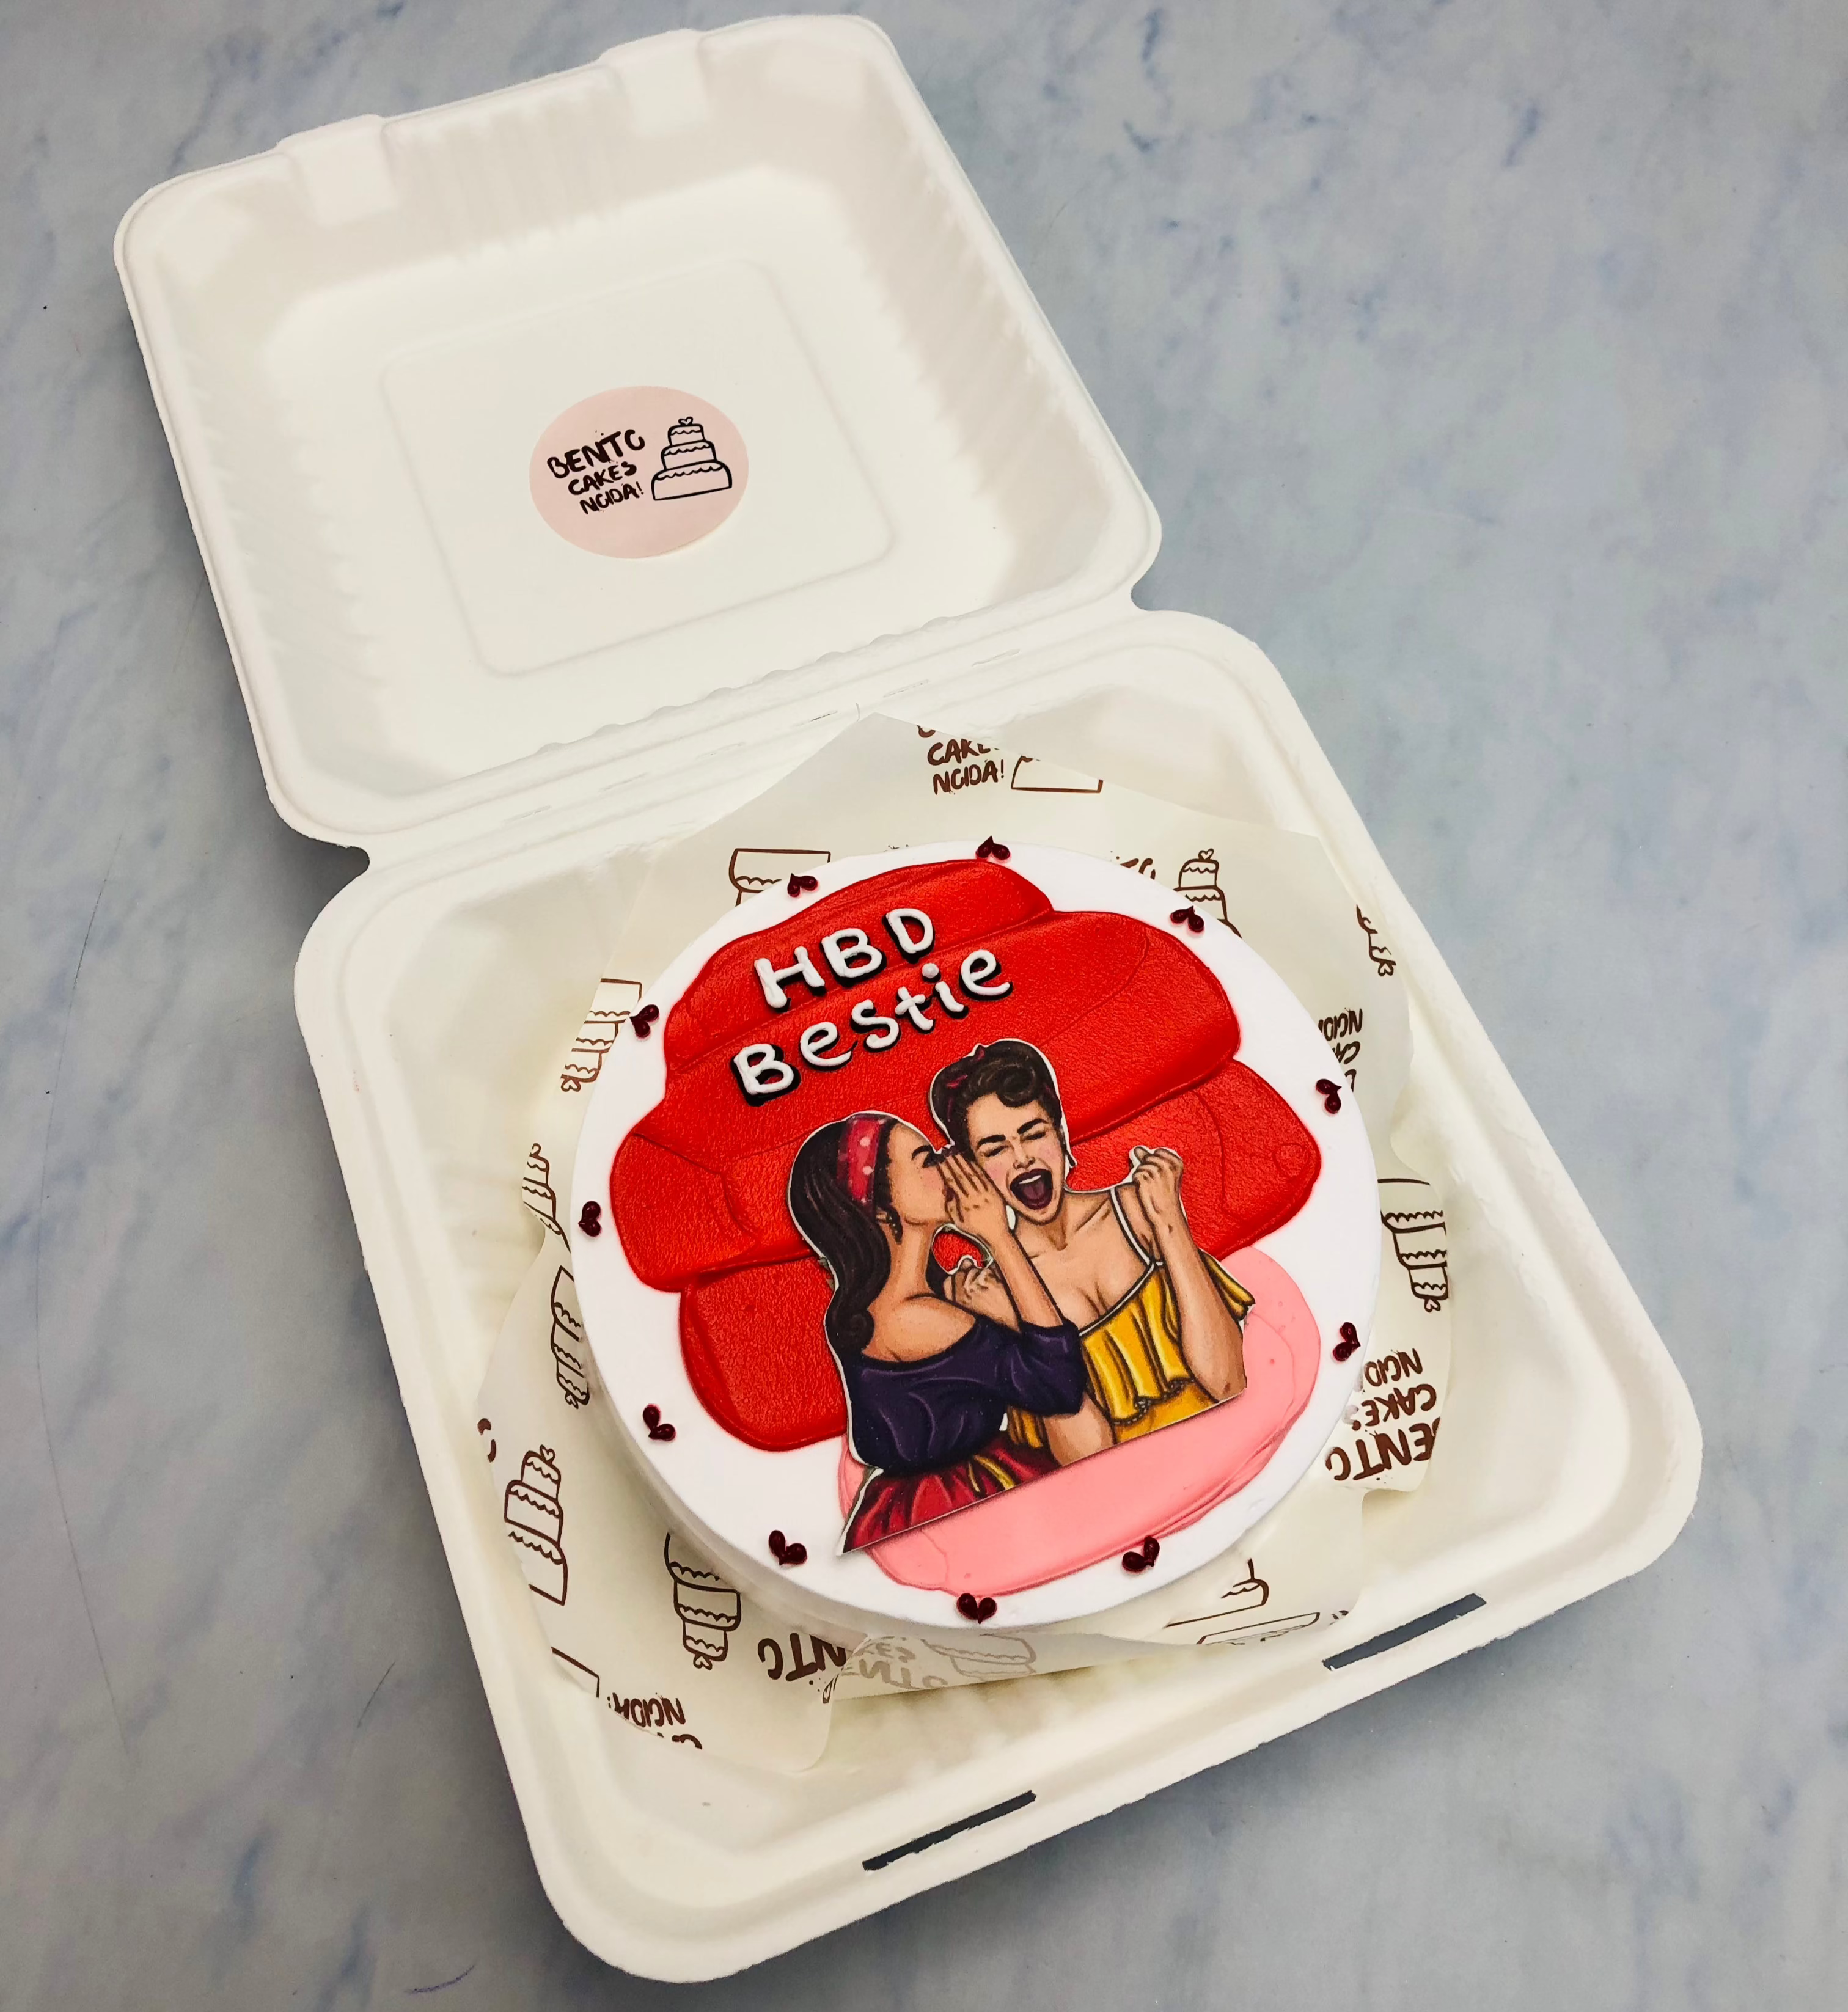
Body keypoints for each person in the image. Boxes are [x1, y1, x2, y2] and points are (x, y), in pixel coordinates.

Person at [787, 1113, 1101, 1549]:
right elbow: (1061, 1385)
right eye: (926, 1160)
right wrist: (998, 1236)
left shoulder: (900, 1302)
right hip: (959, 1514)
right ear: (880, 1207)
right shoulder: (912, 1318)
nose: (949, 1165)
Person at [928, 1041, 1252, 1457]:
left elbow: (1227, 1380)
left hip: (1232, 1449)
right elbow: (1086, 1456)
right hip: (1130, 1503)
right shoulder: (991, 1294)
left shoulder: (1141, 1210)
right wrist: (1014, 1325)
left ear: (1061, 1134)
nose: (1023, 1158)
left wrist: (1172, 1223)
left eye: (1034, 1133)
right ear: (973, 1171)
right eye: (995, 1149)